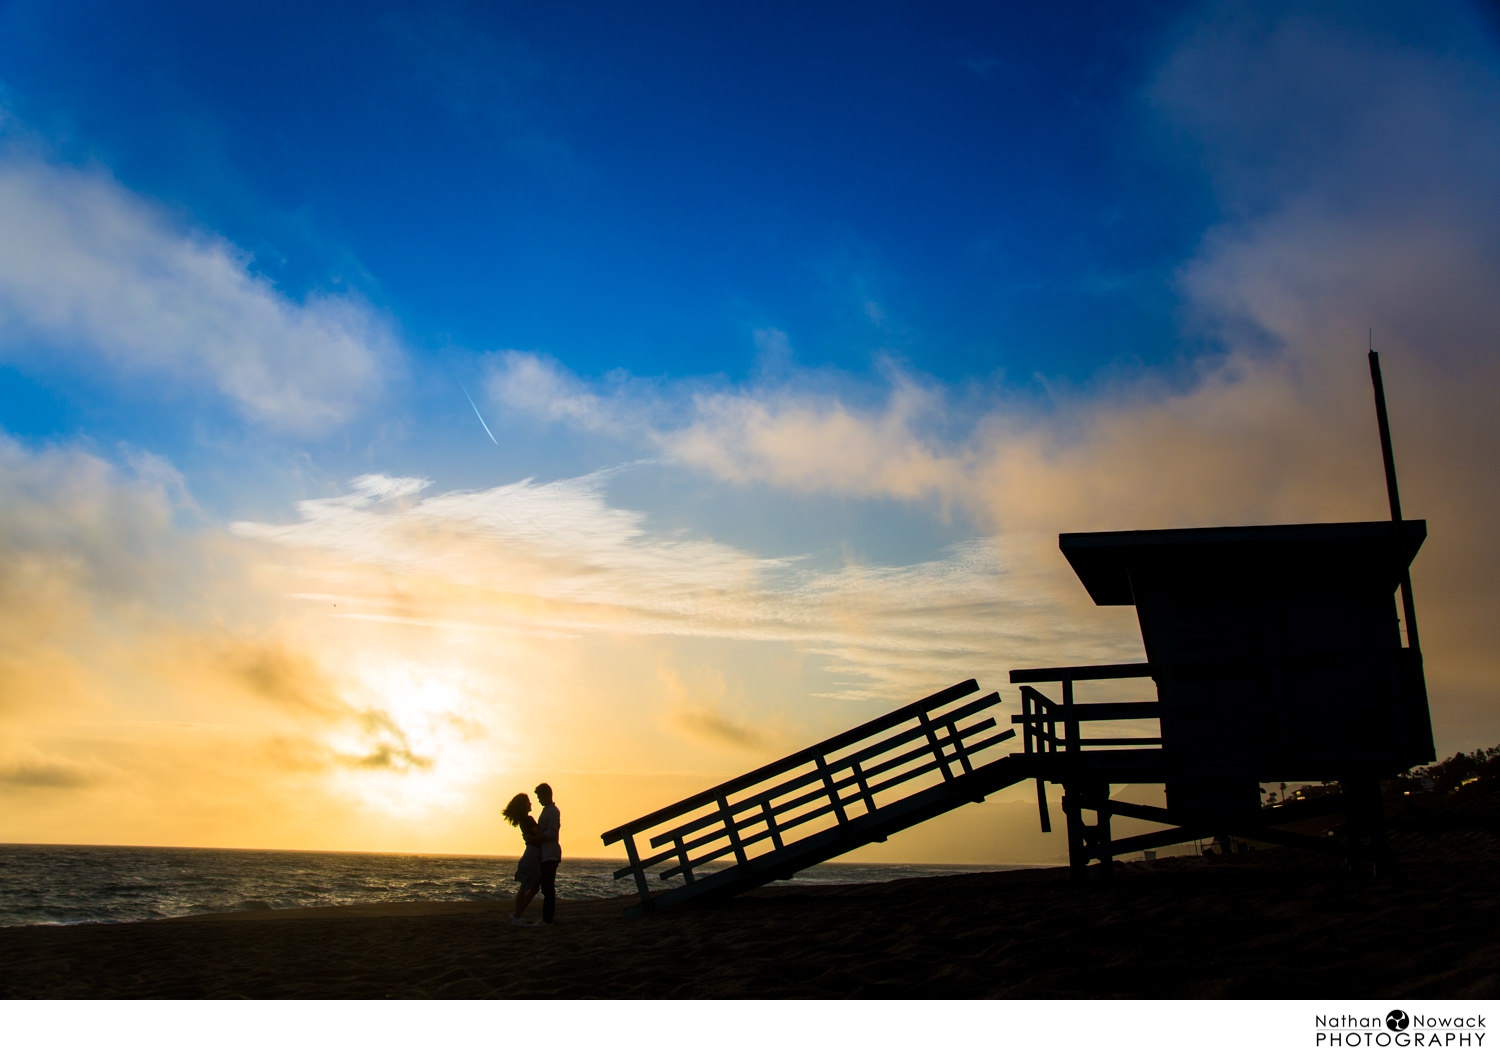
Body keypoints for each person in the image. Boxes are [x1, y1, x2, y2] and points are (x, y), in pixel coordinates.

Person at [501, 792, 542, 925]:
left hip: (532, 852)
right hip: (533, 854)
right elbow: (538, 834)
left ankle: (517, 914)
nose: (530, 804)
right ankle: (516, 915)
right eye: (528, 802)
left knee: (531, 886)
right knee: (528, 886)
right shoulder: (528, 819)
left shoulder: (523, 821)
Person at [534, 782, 561, 925]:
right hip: (545, 854)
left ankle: (547, 918)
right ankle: (546, 918)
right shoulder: (546, 811)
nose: (539, 800)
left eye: (540, 796)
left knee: (548, 887)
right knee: (546, 886)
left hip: (550, 854)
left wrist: (539, 836)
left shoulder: (553, 811)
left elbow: (552, 832)